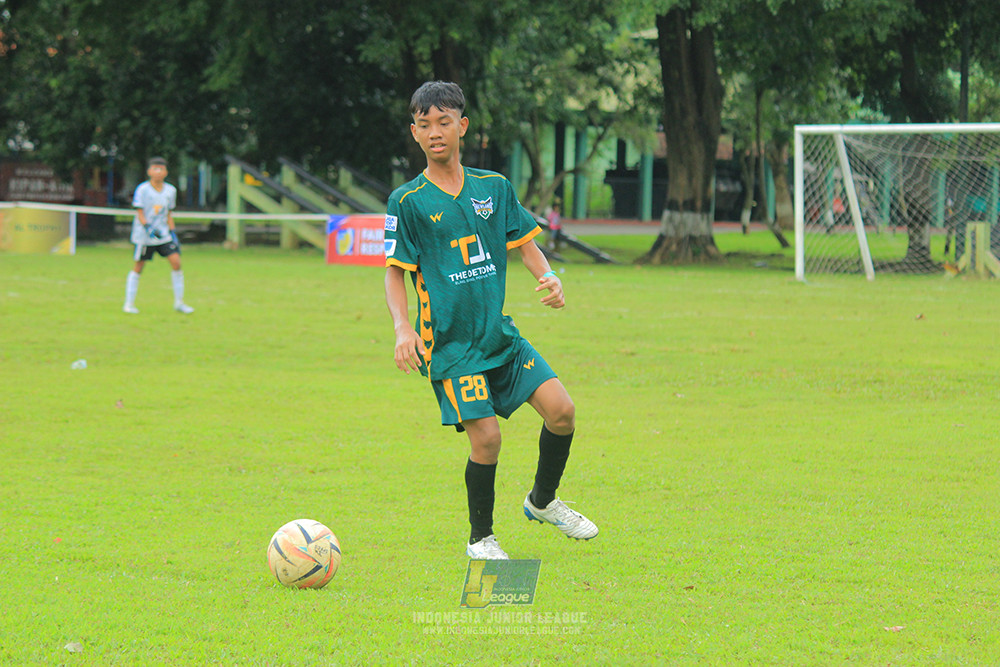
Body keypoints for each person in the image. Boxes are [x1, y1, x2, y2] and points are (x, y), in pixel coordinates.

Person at [383, 81, 598, 560]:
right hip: (452, 347)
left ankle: (542, 502)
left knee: (562, 412)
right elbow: (394, 274)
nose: (435, 132)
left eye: (444, 122)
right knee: (488, 439)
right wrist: (402, 329)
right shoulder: (407, 201)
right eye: (424, 125)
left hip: (499, 337)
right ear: (414, 134)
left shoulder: (494, 187)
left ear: (462, 126)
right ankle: (481, 539)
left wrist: (550, 277)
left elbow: (524, 243)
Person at [123, 157, 193, 314]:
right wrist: (147, 227)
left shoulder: (170, 190)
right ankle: (129, 304)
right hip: (145, 236)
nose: (158, 172)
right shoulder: (143, 189)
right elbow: (139, 212)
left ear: (166, 172)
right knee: (139, 266)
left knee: (176, 263)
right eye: (155, 168)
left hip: (163, 235)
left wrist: (172, 232)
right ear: (149, 171)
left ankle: (179, 303)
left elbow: (169, 213)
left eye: (161, 169)